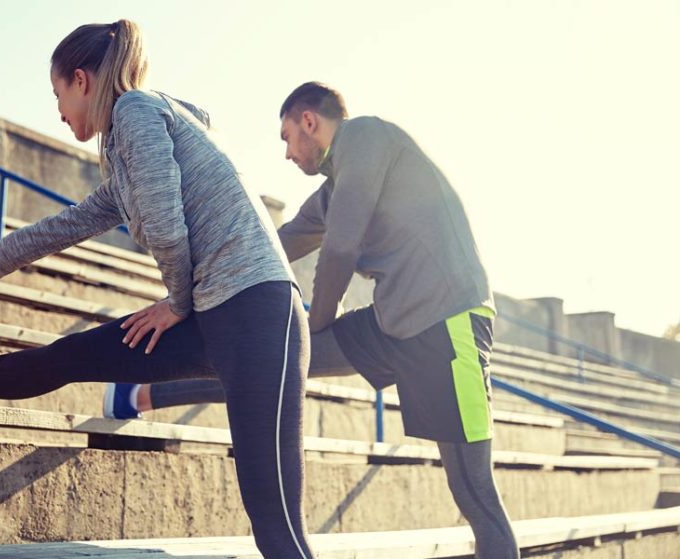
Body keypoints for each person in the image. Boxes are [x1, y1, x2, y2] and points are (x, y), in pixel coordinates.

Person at [0, 20, 316, 559]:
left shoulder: (136, 111)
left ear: (82, 80)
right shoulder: (125, 162)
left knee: (275, 524)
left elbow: (165, 226)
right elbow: (48, 233)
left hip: (258, 316)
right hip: (216, 315)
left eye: (57, 93)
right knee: (67, 357)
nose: (58, 110)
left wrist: (177, 303)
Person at [104, 82, 520, 559]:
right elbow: (275, 243)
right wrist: (188, 294)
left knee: (474, 494)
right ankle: (138, 393)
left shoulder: (366, 137)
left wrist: (316, 323)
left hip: (448, 323)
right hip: (394, 325)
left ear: (309, 122)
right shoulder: (334, 192)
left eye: (286, 137)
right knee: (266, 362)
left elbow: (340, 247)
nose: (286, 153)